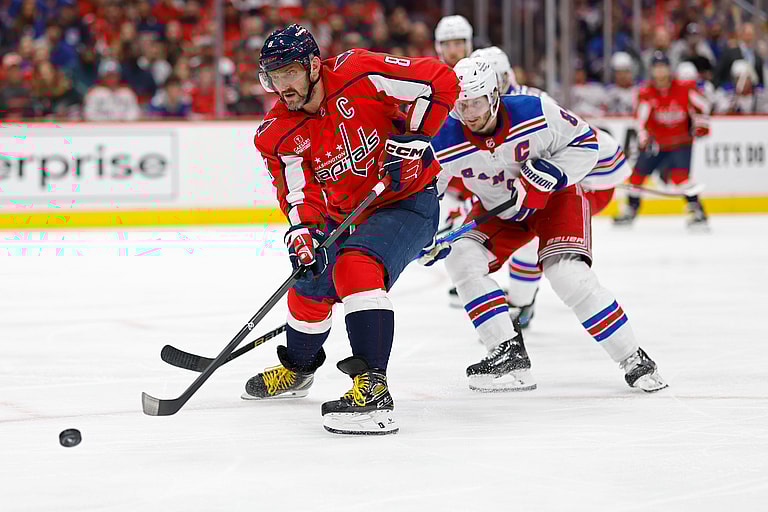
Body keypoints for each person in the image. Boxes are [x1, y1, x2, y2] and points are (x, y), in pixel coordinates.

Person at [245, 25, 459, 435]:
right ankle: (299, 369)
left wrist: (413, 139)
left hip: (408, 201)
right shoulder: (276, 133)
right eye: (273, 76)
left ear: (312, 64)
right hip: (348, 214)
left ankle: (373, 390)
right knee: (307, 283)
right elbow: (297, 193)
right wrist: (303, 233)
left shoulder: (359, 72)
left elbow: (441, 79)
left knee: (355, 267)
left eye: (289, 71)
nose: (282, 86)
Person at [421, 56, 667, 394]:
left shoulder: (535, 110)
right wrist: (421, 232)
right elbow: (425, 189)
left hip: (556, 201)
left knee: (566, 276)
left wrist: (554, 172)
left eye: (476, 102)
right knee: (461, 256)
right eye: (461, 105)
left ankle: (633, 358)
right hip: (501, 212)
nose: (470, 113)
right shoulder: (442, 138)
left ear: (494, 96)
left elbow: (587, 144)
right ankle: (508, 355)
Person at [613, 52, 711, 230]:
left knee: (681, 178)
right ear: (652, 70)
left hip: (681, 143)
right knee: (636, 176)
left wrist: (701, 123)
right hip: (657, 144)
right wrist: (643, 137)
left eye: (663, 67)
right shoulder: (646, 92)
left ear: (668, 68)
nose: (660, 71)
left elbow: (703, 105)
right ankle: (630, 209)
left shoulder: (684, 88)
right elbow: (640, 120)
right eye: (656, 68)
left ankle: (698, 212)